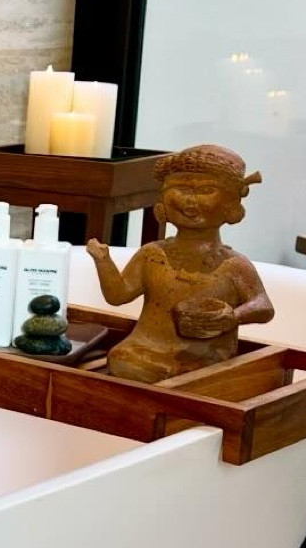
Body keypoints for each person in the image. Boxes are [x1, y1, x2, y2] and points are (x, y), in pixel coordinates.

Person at [85, 143, 274, 384]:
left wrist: (232, 316)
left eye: (206, 190)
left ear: (231, 205)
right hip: (145, 350)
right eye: (181, 189)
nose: (190, 201)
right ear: (163, 200)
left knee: (200, 376)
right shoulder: (152, 254)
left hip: (208, 356)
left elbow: (263, 306)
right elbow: (118, 295)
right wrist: (103, 261)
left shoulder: (233, 265)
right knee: (122, 358)